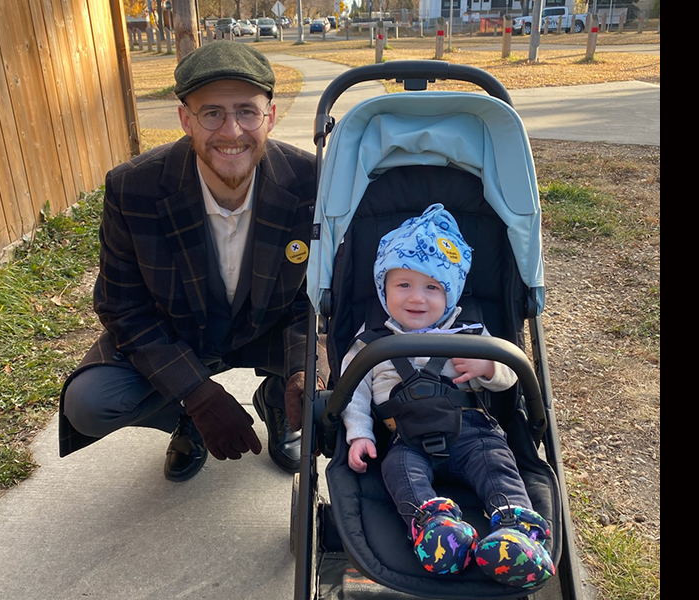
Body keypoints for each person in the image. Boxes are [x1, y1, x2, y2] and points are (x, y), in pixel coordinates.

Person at [57, 40, 321, 482]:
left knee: (347, 371)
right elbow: (121, 306)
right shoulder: (133, 188)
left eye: (247, 111)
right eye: (212, 112)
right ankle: (184, 416)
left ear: (269, 117)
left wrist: (302, 372)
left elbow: (316, 297)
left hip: (267, 328)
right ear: (186, 120)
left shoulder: (312, 181)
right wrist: (195, 394)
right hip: (179, 332)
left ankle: (277, 397)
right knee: (90, 402)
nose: (232, 131)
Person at [339, 204, 555, 587]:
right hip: (406, 439)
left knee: (497, 465)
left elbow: (511, 376)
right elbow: (351, 390)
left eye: (432, 287)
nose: (416, 298)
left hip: (474, 432)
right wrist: (359, 434)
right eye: (402, 285)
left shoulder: (472, 332)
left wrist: (487, 367)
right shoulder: (371, 340)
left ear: (451, 292)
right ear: (383, 288)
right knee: (398, 471)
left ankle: (517, 530)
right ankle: (434, 527)